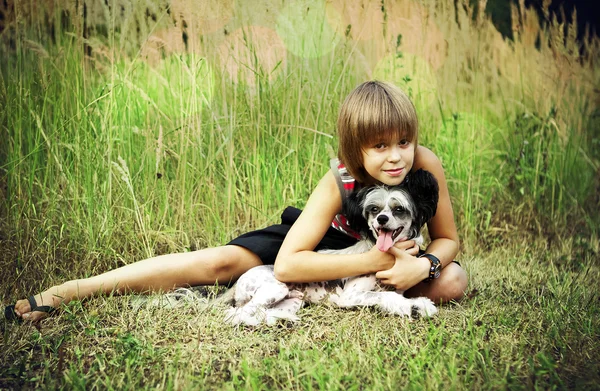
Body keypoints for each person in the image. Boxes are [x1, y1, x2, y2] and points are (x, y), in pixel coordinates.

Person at [6, 80, 467, 322]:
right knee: (219, 264)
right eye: (380, 145)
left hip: (388, 250)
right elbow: (288, 265)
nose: (395, 156)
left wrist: (421, 267)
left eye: (403, 141)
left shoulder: (425, 165)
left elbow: (448, 239)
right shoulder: (339, 179)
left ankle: (365, 292)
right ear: (355, 148)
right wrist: (368, 262)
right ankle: (74, 290)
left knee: (452, 283)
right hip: (318, 243)